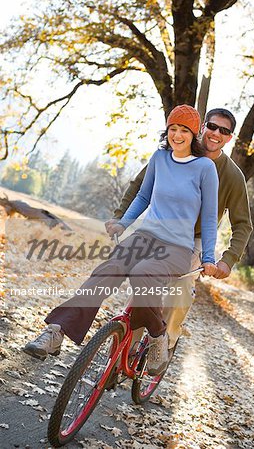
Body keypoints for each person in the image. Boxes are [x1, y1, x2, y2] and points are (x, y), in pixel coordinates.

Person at [23, 104, 219, 375]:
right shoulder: (159, 159)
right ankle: (56, 331)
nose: (177, 135)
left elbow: (209, 217)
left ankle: (157, 336)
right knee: (107, 270)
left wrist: (209, 257)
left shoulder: (205, 168)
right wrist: (123, 223)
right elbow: (143, 196)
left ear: (194, 135)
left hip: (177, 247)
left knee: (143, 274)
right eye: (173, 128)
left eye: (184, 130)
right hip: (145, 236)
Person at [106, 108, 253, 349]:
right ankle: (121, 352)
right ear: (203, 127)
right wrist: (120, 219)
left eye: (224, 131)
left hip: (194, 240)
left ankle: (163, 342)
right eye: (212, 126)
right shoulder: (172, 153)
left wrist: (227, 260)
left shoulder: (232, 176)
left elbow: (243, 224)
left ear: (229, 138)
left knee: (180, 289)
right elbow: (141, 187)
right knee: (142, 283)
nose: (216, 133)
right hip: (157, 231)